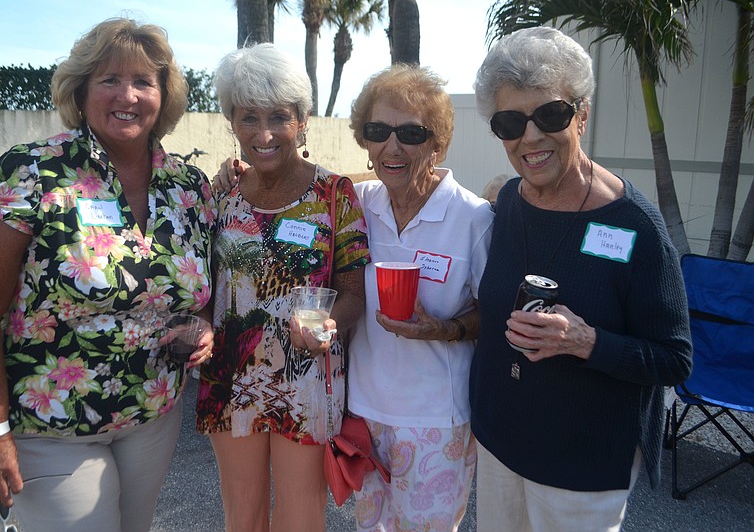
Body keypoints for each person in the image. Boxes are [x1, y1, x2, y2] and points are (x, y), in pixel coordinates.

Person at [0, 18, 215, 532]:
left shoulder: (189, 186)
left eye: (144, 81)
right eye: (109, 80)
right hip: (51, 424)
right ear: (81, 90)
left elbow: (199, 289)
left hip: (153, 415)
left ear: (165, 96)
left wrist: (200, 323)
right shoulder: (30, 173)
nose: (128, 95)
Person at [214, 65, 494, 531]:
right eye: (378, 130)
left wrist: (446, 329)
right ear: (364, 140)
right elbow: (292, 185)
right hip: (363, 412)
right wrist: (234, 169)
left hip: (434, 418)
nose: (393, 145)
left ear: (437, 143)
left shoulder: (473, 218)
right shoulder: (359, 200)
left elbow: (495, 311)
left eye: (411, 132)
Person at [469, 26, 692, 531]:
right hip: (501, 445)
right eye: (510, 121)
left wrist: (586, 341)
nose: (530, 137)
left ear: (582, 115)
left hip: (582, 463)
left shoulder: (634, 225)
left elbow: (674, 359)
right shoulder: (507, 204)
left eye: (550, 114)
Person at [195, 43, 369, 532]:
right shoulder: (220, 196)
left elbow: (354, 290)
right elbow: (198, 285)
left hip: (307, 378)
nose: (264, 134)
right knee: (242, 516)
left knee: (300, 517)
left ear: (302, 120)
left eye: (279, 117)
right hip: (231, 378)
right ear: (231, 121)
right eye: (248, 117)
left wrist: (332, 325)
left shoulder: (334, 194)